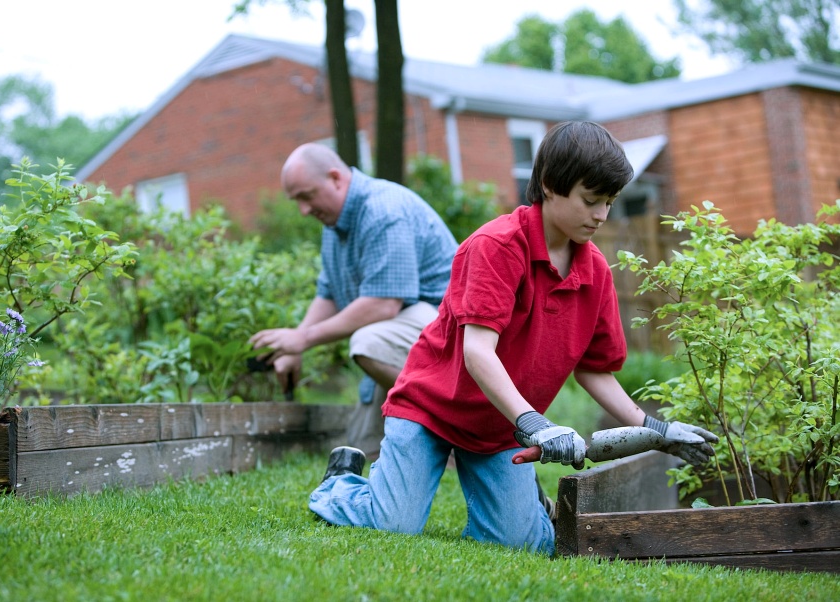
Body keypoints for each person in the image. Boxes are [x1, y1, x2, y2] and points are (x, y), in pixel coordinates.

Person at [308, 121, 718, 555]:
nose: (601, 215)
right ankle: (342, 483)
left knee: (520, 544)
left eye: (609, 203)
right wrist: (537, 424)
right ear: (548, 185)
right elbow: (478, 352)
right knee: (392, 524)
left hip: (501, 426)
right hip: (430, 409)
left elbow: (595, 372)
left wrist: (659, 430)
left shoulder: (594, 271)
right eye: (591, 200)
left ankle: (525, 507)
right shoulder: (496, 247)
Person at [249, 143, 459, 459]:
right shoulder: (334, 225)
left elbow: (383, 304)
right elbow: (329, 293)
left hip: (451, 335)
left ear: (335, 178)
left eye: (306, 196)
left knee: (368, 342)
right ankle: (428, 436)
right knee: (360, 449)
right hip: (405, 336)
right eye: (297, 202)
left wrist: (303, 339)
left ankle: (457, 424)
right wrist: (292, 347)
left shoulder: (382, 210)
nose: (303, 210)